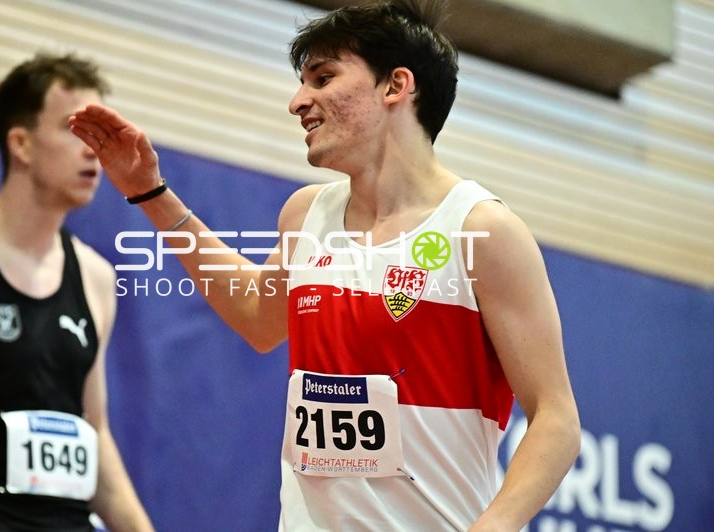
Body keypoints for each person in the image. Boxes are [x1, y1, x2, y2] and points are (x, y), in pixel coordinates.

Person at [70, 0, 580, 530]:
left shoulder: (481, 231)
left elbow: (556, 418)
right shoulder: (306, 214)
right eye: (301, 82)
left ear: (395, 85)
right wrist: (151, 193)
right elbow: (256, 317)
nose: (298, 102)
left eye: (323, 77)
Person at [0, 53, 153, 530]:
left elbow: (94, 433)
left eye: (99, 135)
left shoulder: (95, 279)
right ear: (21, 144)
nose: (94, 151)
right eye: (76, 131)